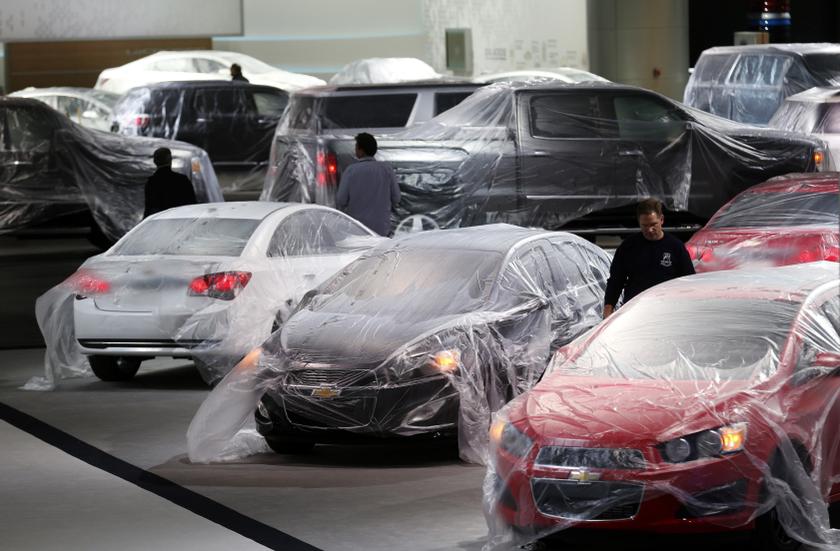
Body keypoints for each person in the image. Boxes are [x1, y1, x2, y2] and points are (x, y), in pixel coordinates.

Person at [603, 198, 695, 318]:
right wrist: (608, 309)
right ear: (639, 222)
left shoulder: (675, 247)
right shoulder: (628, 246)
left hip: (668, 310)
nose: (649, 230)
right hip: (635, 310)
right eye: (644, 225)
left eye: (653, 224)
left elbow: (689, 281)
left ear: (661, 219)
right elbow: (616, 281)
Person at [336, 132, 401, 236]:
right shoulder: (387, 169)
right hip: (381, 229)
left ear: (361, 151)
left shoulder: (351, 171)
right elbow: (397, 198)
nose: (355, 150)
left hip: (357, 229)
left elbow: (341, 200)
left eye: (356, 147)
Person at [143, 147, 198, 218]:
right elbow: (192, 204)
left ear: (154, 161)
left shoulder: (151, 183)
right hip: (181, 219)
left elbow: (149, 209)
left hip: (160, 223)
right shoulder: (182, 180)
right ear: (170, 160)